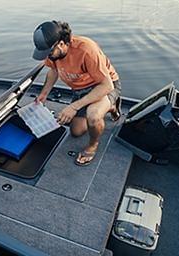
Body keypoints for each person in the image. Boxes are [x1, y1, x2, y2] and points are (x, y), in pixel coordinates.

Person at [32, 20, 121, 166]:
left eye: (49, 53)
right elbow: (53, 71)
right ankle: (109, 107)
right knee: (77, 132)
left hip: (105, 86)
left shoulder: (86, 49)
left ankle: (93, 145)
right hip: (80, 89)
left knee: (93, 116)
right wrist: (44, 94)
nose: (48, 56)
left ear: (61, 44)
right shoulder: (54, 55)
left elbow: (107, 85)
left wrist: (73, 107)